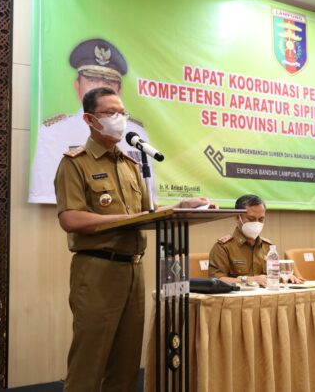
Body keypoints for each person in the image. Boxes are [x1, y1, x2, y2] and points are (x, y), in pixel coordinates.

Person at [54, 86, 210, 392]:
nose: (119, 118)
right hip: (97, 270)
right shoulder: (75, 163)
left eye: (122, 112)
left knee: (126, 365)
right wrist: (125, 220)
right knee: (89, 363)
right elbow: (70, 219)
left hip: (134, 270)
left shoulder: (131, 164)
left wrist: (181, 206)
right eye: (110, 112)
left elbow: (145, 213)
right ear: (89, 119)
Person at [30, 38, 153, 204]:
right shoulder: (55, 134)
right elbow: (66, 212)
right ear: (77, 86)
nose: (100, 87)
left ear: (119, 91)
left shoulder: (134, 146)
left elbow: (148, 206)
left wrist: (179, 206)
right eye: (92, 80)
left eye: (109, 82)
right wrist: (127, 218)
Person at [208, 194, 301, 287]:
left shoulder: (268, 247)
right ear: (237, 217)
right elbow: (217, 280)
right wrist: (249, 280)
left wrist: (286, 277)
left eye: (261, 219)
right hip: (239, 295)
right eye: (251, 219)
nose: (256, 223)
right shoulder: (222, 247)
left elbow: (274, 275)